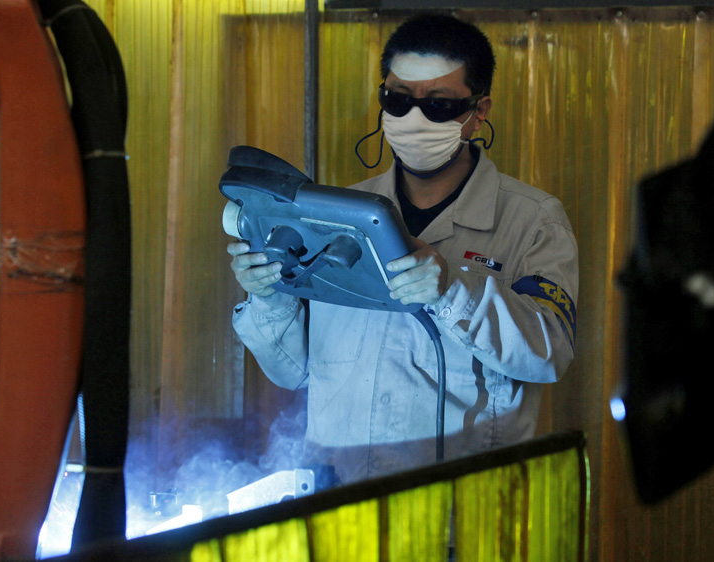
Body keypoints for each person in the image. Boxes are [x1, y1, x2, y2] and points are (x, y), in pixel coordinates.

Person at [228, 14, 579, 484]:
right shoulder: (335, 214)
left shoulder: (532, 220)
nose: (414, 119)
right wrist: (269, 297)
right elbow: (294, 372)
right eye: (398, 100)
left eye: (438, 105)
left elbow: (549, 353)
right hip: (341, 507)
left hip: (459, 515)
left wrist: (454, 291)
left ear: (479, 111)